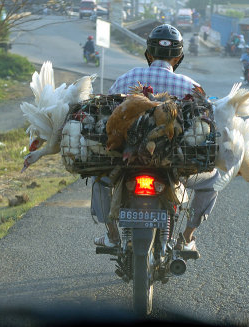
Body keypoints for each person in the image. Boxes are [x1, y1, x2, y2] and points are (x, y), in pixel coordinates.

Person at [91, 24, 220, 253]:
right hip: (175, 164)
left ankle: (112, 235)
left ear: (149, 54)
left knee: (100, 180)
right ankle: (187, 237)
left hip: (125, 161)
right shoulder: (190, 86)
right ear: (178, 56)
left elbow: (105, 112)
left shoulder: (126, 79)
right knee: (213, 180)